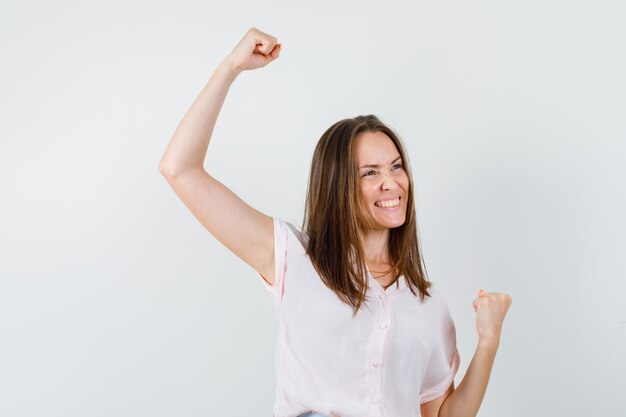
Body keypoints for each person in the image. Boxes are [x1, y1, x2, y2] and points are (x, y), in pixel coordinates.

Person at [159, 27, 512, 417]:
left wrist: (489, 341)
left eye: (396, 167)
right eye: (370, 173)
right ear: (338, 185)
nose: (391, 183)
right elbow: (180, 170)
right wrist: (231, 67)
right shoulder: (295, 260)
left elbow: (441, 415)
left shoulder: (426, 305)